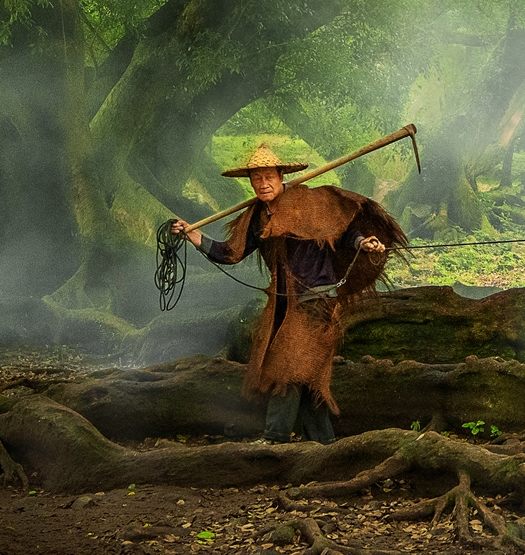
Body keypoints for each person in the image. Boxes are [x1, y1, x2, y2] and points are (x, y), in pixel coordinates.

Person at [170, 142, 406, 444]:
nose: (263, 183)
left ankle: (274, 438)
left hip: (317, 300)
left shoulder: (308, 203)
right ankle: (323, 442)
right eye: (257, 178)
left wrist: (362, 242)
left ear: (281, 176)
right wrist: (193, 234)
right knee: (305, 376)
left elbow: (343, 231)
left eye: (269, 176)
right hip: (283, 304)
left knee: (288, 365)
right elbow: (230, 252)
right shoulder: (256, 217)